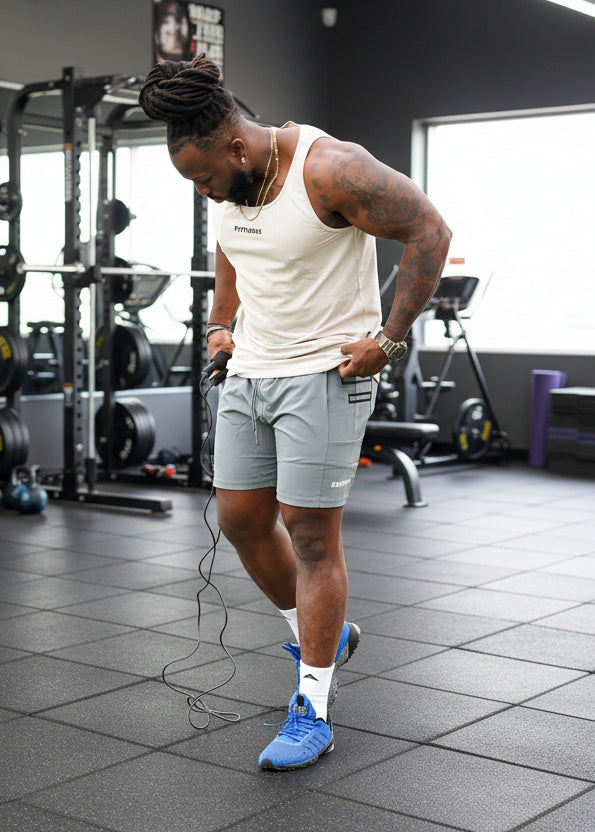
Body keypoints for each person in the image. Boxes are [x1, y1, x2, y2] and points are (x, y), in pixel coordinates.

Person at [139, 53, 451, 772]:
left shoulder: (331, 169)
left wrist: (386, 338)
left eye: (204, 178)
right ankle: (324, 634)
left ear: (238, 148)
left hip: (324, 373)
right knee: (241, 520)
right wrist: (220, 324)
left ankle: (312, 704)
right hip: (250, 369)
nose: (204, 192)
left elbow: (430, 233)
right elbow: (231, 251)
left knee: (311, 538)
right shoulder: (232, 185)